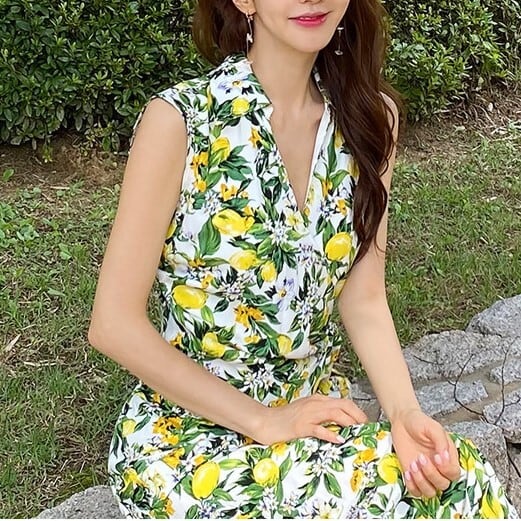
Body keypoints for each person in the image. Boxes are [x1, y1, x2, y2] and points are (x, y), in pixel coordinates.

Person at [88, 0, 518, 518]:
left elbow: (363, 297)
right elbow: (113, 324)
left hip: (315, 423)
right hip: (188, 440)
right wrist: (265, 421)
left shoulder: (369, 119)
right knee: (390, 495)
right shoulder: (181, 122)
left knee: (456, 479)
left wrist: (405, 414)